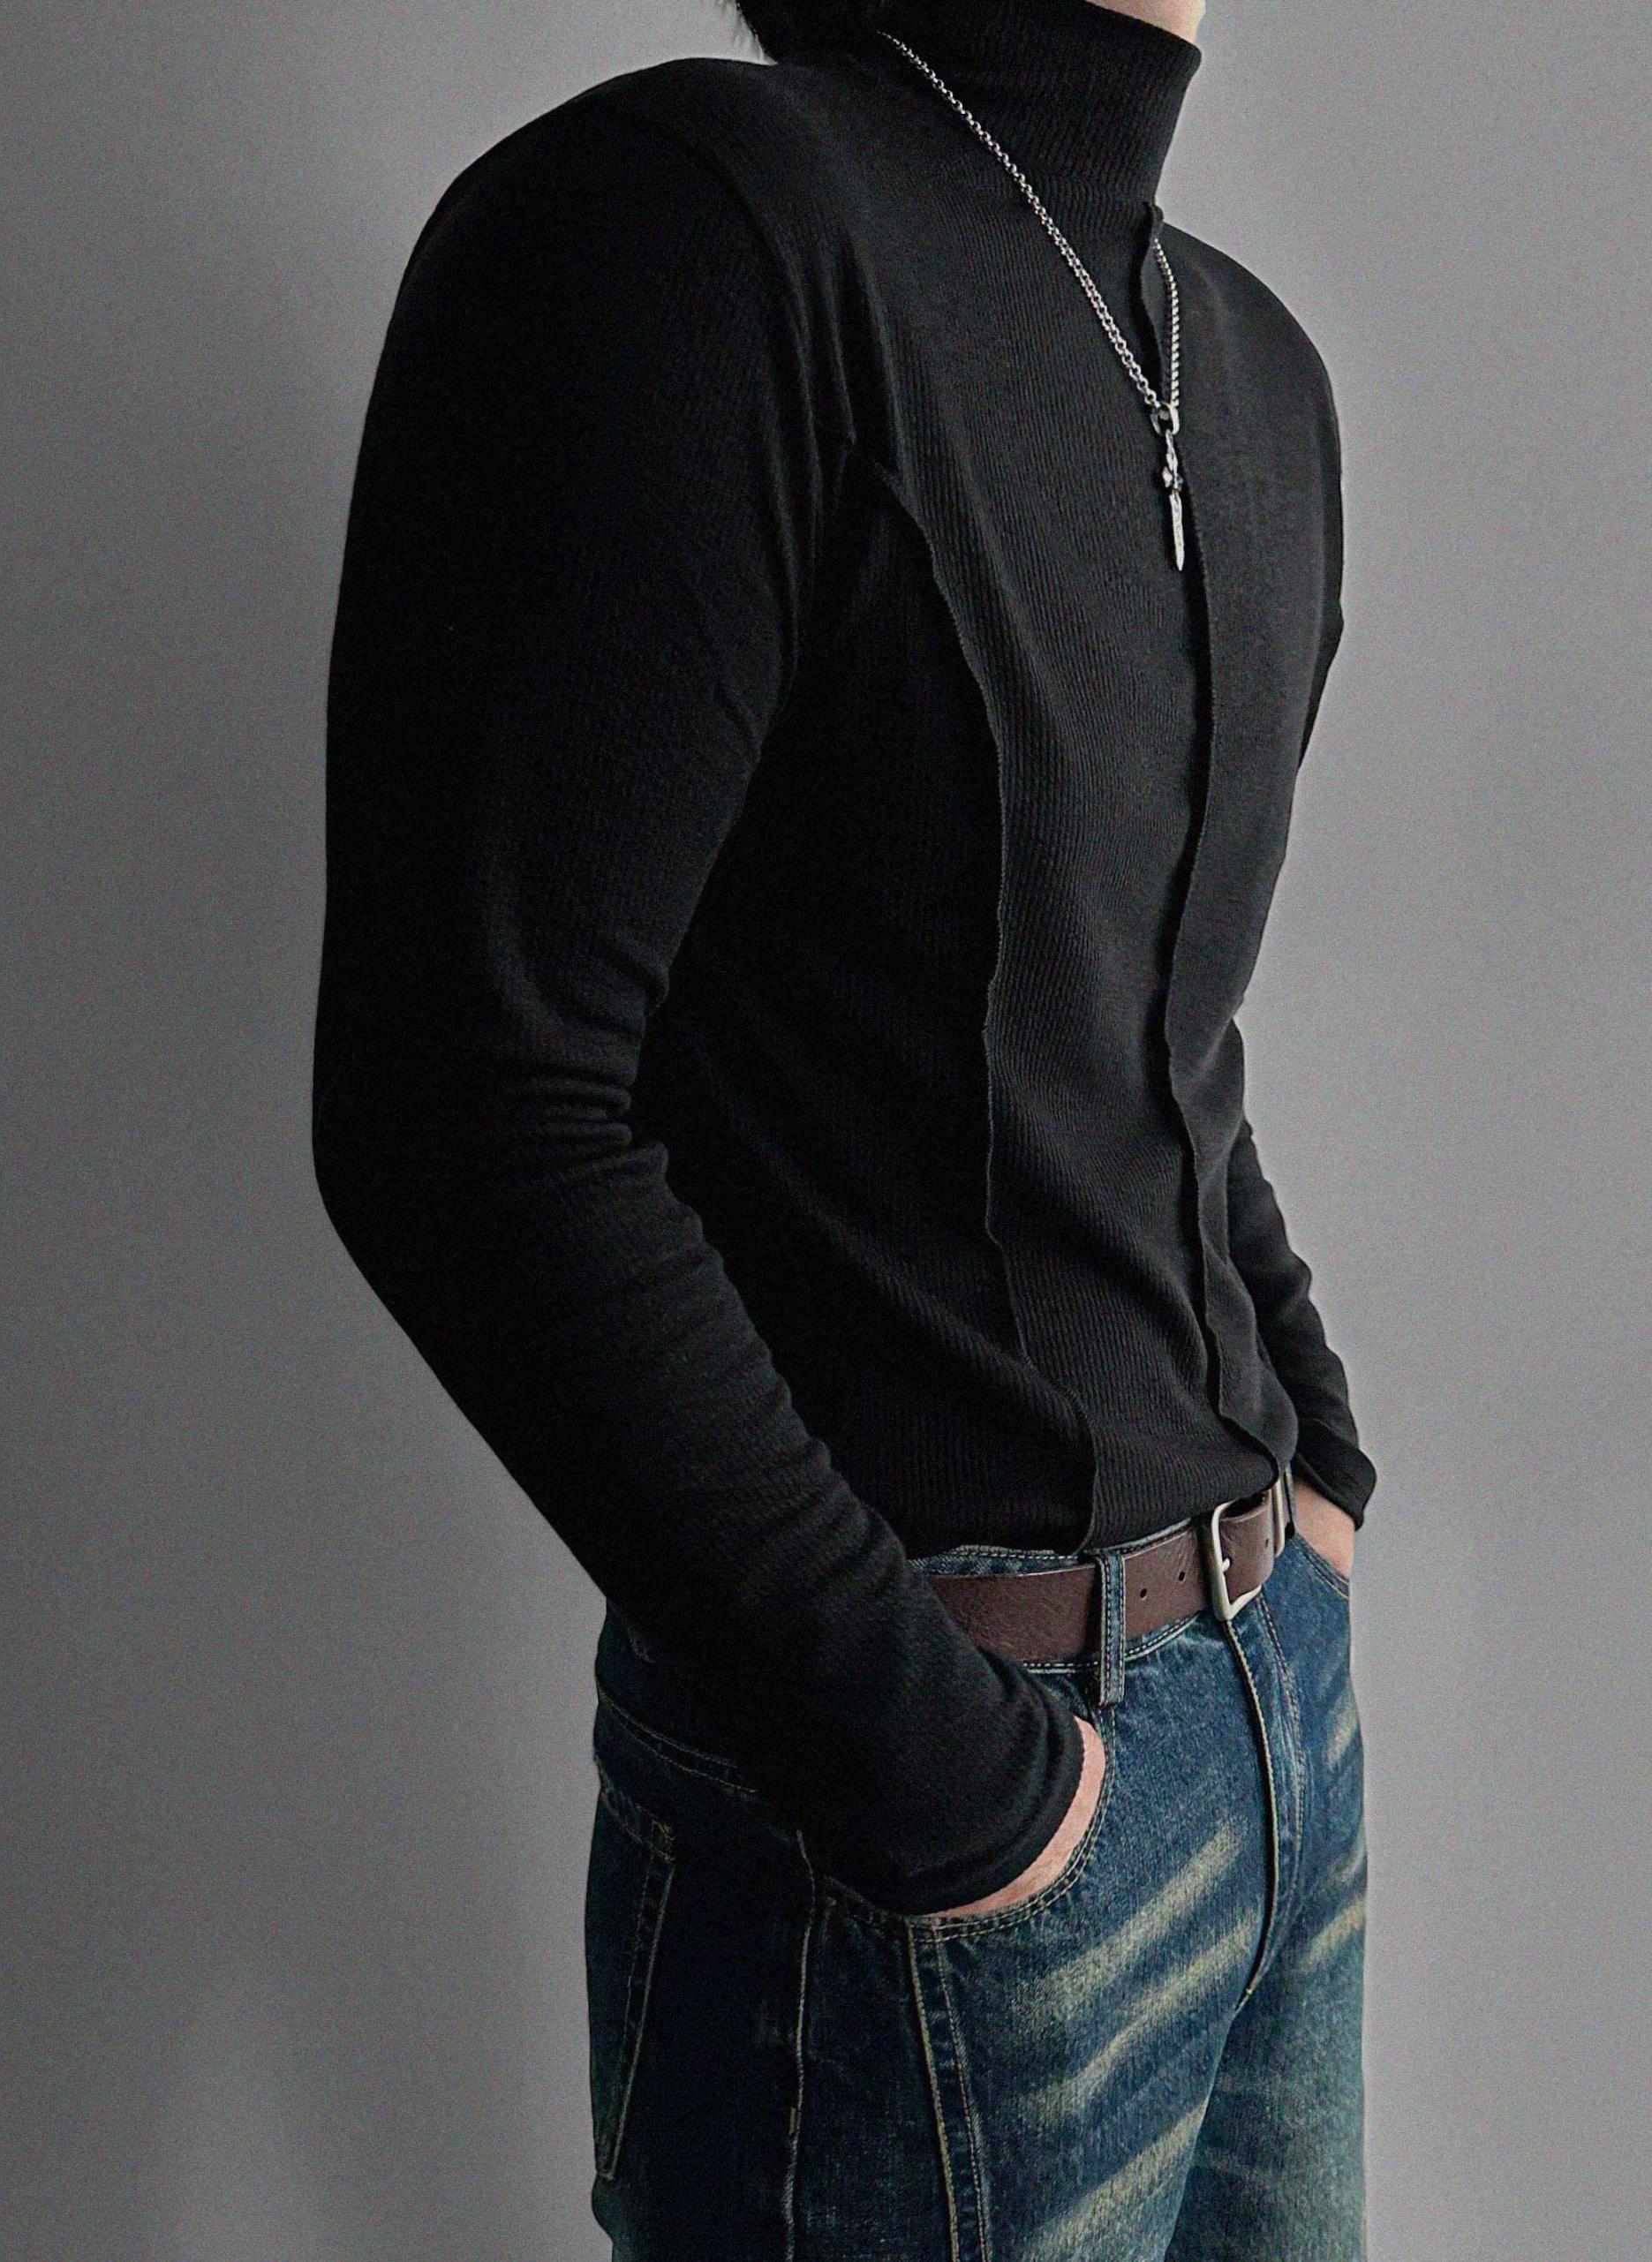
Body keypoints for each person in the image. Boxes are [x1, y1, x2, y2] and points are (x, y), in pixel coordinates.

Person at [311, 0, 1376, 2251]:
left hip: (1275, 1715)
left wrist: (1320, 1457)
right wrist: (944, 1779)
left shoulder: (1256, 366)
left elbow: (1146, 1033)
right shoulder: (696, 229)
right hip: (937, 1847)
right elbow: (467, 1107)